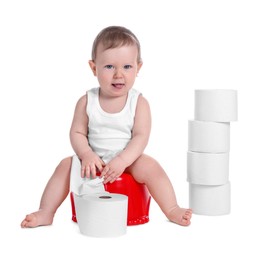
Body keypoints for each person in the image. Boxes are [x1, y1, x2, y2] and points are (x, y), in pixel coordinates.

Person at [21, 26, 192, 228]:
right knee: (64, 166)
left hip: (128, 159)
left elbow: (140, 137)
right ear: (94, 68)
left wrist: (122, 160)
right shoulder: (87, 101)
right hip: (94, 159)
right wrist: (86, 154)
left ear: (138, 68)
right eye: (109, 67)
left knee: (151, 167)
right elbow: (77, 132)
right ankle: (46, 212)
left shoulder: (138, 102)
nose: (119, 74)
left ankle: (171, 208)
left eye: (127, 67)